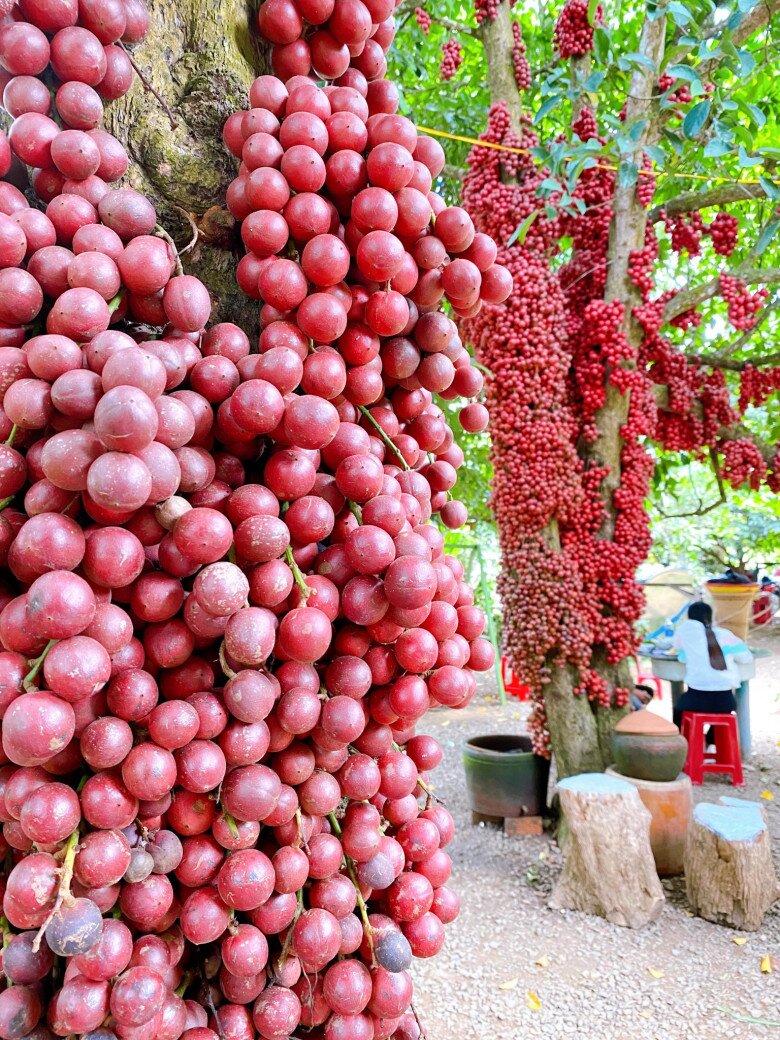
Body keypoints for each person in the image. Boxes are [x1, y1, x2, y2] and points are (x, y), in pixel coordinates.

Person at [671, 601, 753, 734]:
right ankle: (711, 743)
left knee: (678, 710)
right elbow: (746, 657)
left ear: (689, 618)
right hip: (725, 702)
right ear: (710, 617)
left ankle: (686, 745)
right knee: (721, 719)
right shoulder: (725, 635)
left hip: (694, 700)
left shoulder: (686, 634)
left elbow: (682, 658)